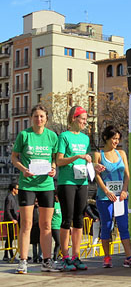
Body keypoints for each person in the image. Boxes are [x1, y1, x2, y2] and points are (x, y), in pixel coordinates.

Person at [11, 104, 59, 274]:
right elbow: (14, 157)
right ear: (31, 118)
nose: (39, 119)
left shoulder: (52, 136)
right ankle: (23, 261)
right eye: (36, 116)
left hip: (46, 185)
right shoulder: (24, 135)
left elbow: (54, 159)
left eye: (41, 116)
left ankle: (47, 261)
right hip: (27, 185)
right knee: (27, 224)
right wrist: (23, 169)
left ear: (46, 118)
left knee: (46, 225)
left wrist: (53, 168)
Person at [93, 125, 131, 268]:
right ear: (106, 138)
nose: (116, 141)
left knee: (123, 226)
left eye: (117, 139)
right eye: (113, 139)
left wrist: (124, 190)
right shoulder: (98, 154)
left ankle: (129, 257)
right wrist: (106, 191)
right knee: (107, 226)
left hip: (120, 197)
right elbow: (97, 176)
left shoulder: (121, 153)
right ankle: (107, 257)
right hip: (105, 198)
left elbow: (127, 173)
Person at [56, 105, 92, 271]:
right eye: (82, 119)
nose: (85, 122)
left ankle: (76, 256)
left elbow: (88, 159)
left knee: (79, 219)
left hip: (82, 182)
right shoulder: (64, 136)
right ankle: (65, 257)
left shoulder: (85, 139)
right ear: (73, 119)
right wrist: (77, 156)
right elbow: (59, 161)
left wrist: (94, 166)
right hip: (67, 182)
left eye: (85, 120)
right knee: (67, 218)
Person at [3, 183, 19, 262]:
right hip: (9, 221)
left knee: (10, 238)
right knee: (10, 238)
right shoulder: (9, 198)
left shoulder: (12, 197)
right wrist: (12, 219)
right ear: (13, 189)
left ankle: (6, 255)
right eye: (17, 189)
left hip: (12, 221)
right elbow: (7, 210)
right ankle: (10, 255)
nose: (18, 190)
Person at [51, 192, 61, 261]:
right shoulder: (53, 204)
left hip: (60, 225)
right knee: (58, 242)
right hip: (54, 226)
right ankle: (55, 257)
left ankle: (59, 256)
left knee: (62, 242)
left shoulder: (60, 204)